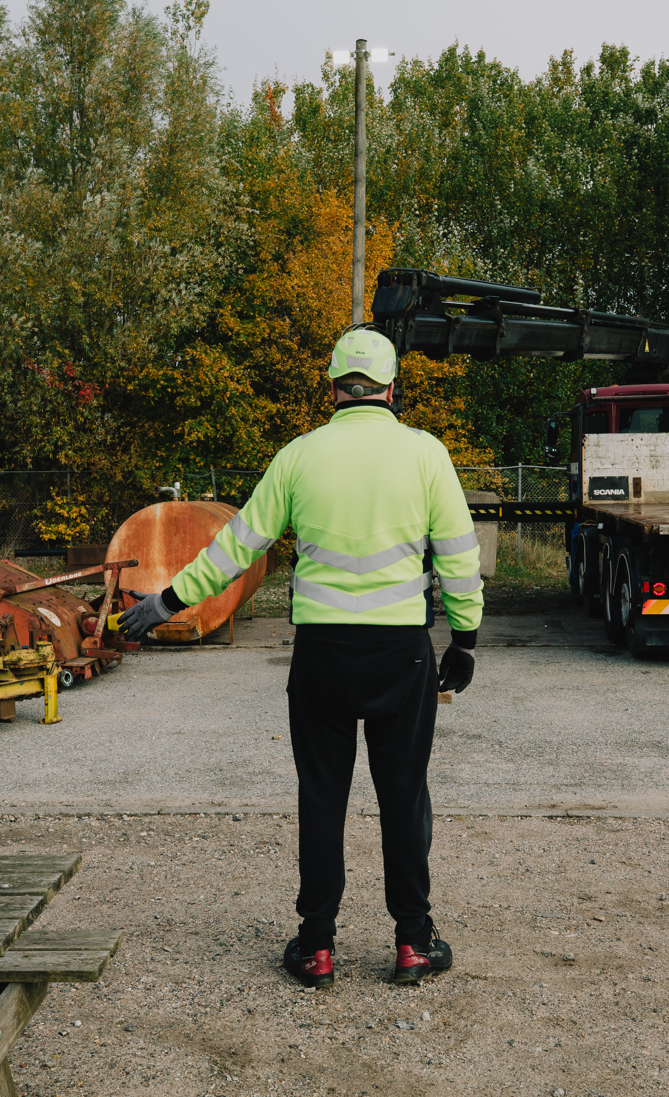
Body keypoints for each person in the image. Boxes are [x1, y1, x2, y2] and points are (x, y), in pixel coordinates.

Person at [120, 327, 483, 988]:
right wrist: (465, 639)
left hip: (321, 655)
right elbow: (459, 556)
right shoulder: (427, 455)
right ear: (392, 386)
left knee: (323, 798)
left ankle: (316, 946)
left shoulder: (298, 456)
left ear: (335, 386)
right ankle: (412, 943)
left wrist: (168, 599)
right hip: (400, 654)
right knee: (403, 798)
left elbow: (236, 546)